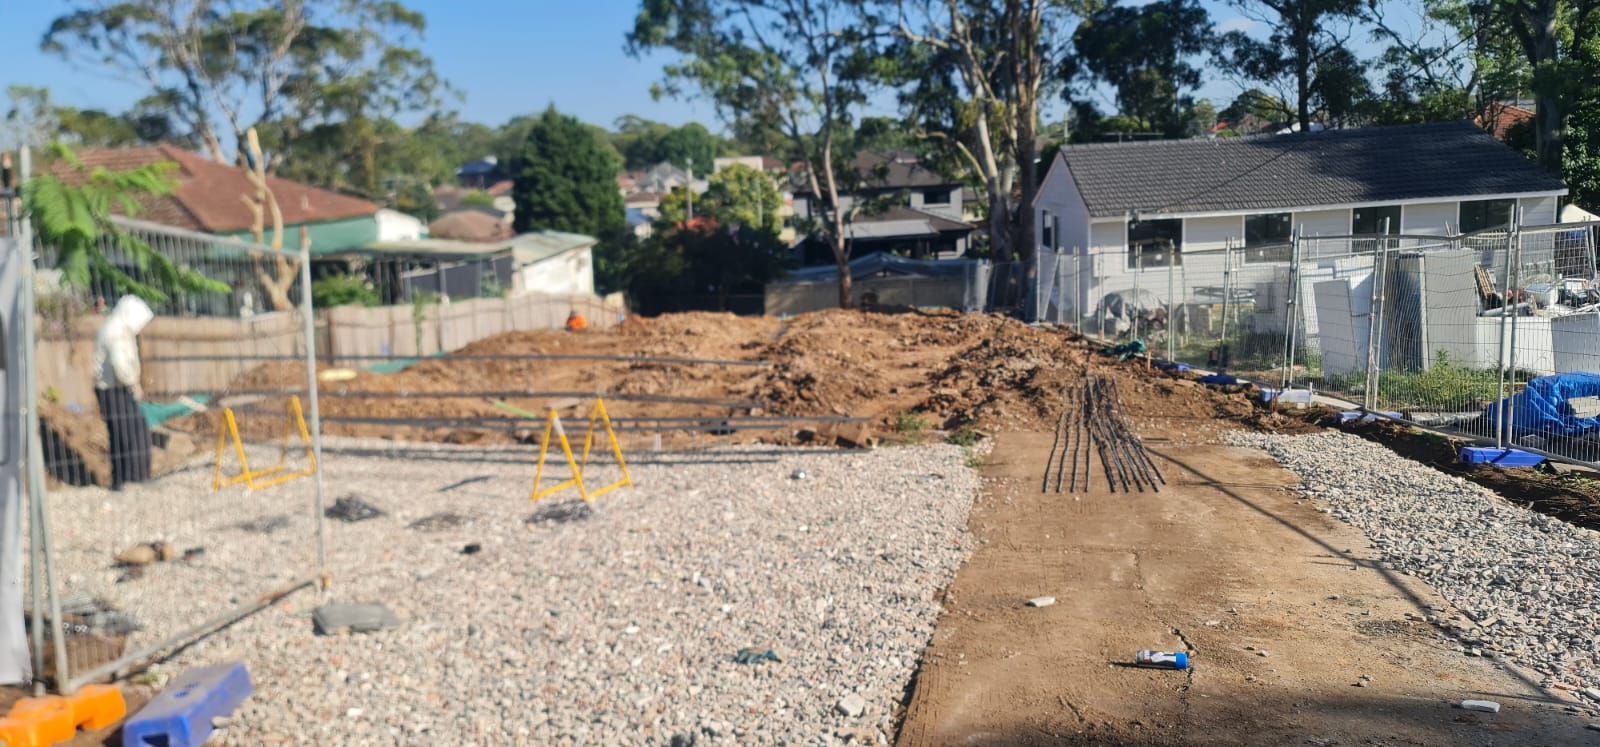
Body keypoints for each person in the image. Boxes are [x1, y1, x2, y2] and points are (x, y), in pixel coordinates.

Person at [94, 296, 155, 490]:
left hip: (114, 388)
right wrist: (133, 384)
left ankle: (125, 479)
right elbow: (121, 366)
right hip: (114, 390)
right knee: (132, 434)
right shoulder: (116, 332)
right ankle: (133, 479)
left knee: (123, 434)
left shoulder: (118, 328)